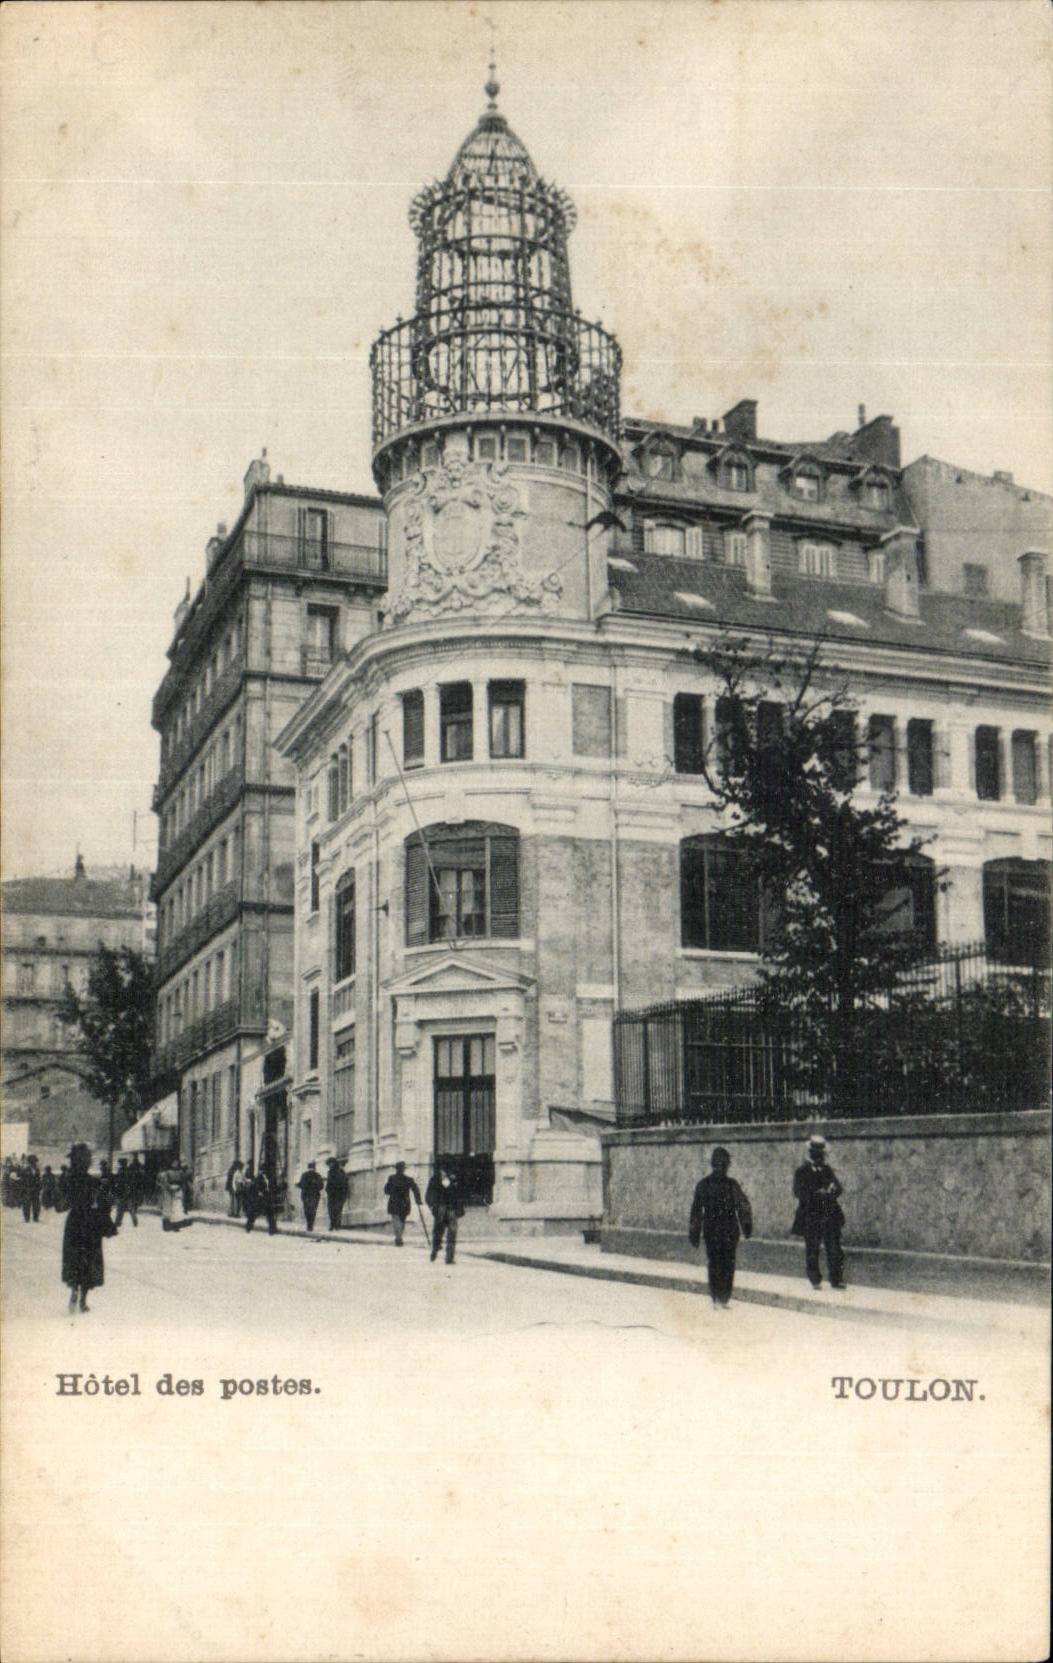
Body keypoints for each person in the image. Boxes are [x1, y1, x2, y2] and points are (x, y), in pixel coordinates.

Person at [688, 1146, 753, 1309]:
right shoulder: (705, 1185)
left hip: (727, 1231)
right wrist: (695, 1232)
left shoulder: (730, 1185)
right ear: (713, 1165)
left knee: (726, 1263)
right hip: (716, 1230)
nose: (720, 1168)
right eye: (718, 1165)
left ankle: (722, 1297)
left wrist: (746, 1226)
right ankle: (718, 1296)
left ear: (726, 1167)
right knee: (717, 1263)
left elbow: (742, 1206)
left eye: (723, 1165)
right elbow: (696, 1211)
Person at [61, 1143, 114, 1312]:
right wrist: (107, 1223)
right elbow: (105, 1203)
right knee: (89, 1259)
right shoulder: (94, 1182)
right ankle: (83, 1300)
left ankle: (73, 1290)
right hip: (90, 1223)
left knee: (74, 1258)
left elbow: (60, 1204)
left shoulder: (68, 1180)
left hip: (74, 1222)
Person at [792, 1134, 846, 1290]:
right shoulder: (802, 1171)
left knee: (835, 1248)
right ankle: (815, 1279)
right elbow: (798, 1192)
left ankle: (836, 1279)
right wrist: (817, 1194)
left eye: (822, 1153)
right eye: (817, 1153)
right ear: (811, 1153)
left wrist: (831, 1191)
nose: (821, 1156)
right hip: (812, 1215)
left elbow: (838, 1188)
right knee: (812, 1248)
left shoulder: (827, 1170)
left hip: (830, 1214)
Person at [425, 1160, 464, 1265]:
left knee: (445, 1232)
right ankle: (441, 1252)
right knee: (445, 1232)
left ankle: (443, 1253)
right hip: (444, 1209)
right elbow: (429, 1195)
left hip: (447, 1209)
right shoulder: (440, 1179)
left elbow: (429, 1194)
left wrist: (432, 1205)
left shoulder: (447, 1180)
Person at [384, 1161, 422, 1247]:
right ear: (403, 1170)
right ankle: (399, 1237)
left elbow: (386, 1190)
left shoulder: (392, 1178)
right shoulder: (408, 1179)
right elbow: (415, 1189)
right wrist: (418, 1200)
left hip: (394, 1202)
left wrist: (392, 1191)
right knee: (402, 1221)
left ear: (396, 1169)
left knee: (396, 1220)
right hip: (404, 1202)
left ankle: (398, 1237)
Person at [245, 1166, 278, 1235]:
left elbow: (271, 1187)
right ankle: (248, 1227)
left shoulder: (269, 1178)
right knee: (253, 1215)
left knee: (270, 1213)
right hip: (259, 1199)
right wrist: (260, 1192)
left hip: (266, 1198)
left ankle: (272, 1230)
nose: (263, 1172)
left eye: (264, 1170)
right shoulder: (258, 1179)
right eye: (261, 1170)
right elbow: (255, 1187)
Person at [158, 1163, 188, 1232]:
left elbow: (183, 1182)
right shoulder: (167, 1173)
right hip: (168, 1192)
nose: (175, 1165)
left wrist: (180, 1188)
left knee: (177, 1209)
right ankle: (166, 1225)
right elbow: (164, 1183)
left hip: (177, 1191)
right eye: (174, 1163)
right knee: (168, 1209)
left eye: (176, 1163)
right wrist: (170, 1187)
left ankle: (176, 1226)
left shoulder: (180, 1173)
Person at [296, 1161, 323, 1231]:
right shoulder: (318, 1175)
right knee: (313, 1210)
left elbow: (301, 1184)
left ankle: (309, 1224)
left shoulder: (304, 1175)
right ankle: (311, 1224)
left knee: (307, 1210)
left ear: (308, 1167)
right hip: (315, 1196)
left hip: (306, 1195)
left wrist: (299, 1185)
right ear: (314, 1167)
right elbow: (321, 1186)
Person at [113, 1158, 139, 1229]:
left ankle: (118, 1222)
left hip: (121, 1191)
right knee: (130, 1208)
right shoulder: (130, 1171)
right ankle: (134, 1221)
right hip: (128, 1192)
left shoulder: (120, 1171)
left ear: (121, 1163)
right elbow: (132, 1181)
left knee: (120, 1208)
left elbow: (119, 1181)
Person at [325, 1157, 348, 1232]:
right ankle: (332, 1224)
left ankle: (337, 1225)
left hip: (339, 1194)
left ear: (334, 1163)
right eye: (328, 1164)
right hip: (331, 1194)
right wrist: (327, 1189)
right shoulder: (330, 1172)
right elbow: (328, 1183)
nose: (329, 1166)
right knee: (331, 1210)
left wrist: (344, 1194)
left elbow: (344, 1183)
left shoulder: (340, 1171)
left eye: (330, 1164)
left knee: (337, 1209)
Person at [20, 1155, 42, 1223]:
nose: (35, 1163)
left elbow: (38, 1180)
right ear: (30, 1162)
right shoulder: (25, 1170)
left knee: (36, 1204)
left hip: (35, 1190)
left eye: (35, 1162)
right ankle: (27, 1218)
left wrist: (39, 1188)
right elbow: (23, 1181)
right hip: (27, 1190)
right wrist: (24, 1189)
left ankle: (35, 1218)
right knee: (26, 1204)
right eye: (34, 1162)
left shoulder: (37, 1170)